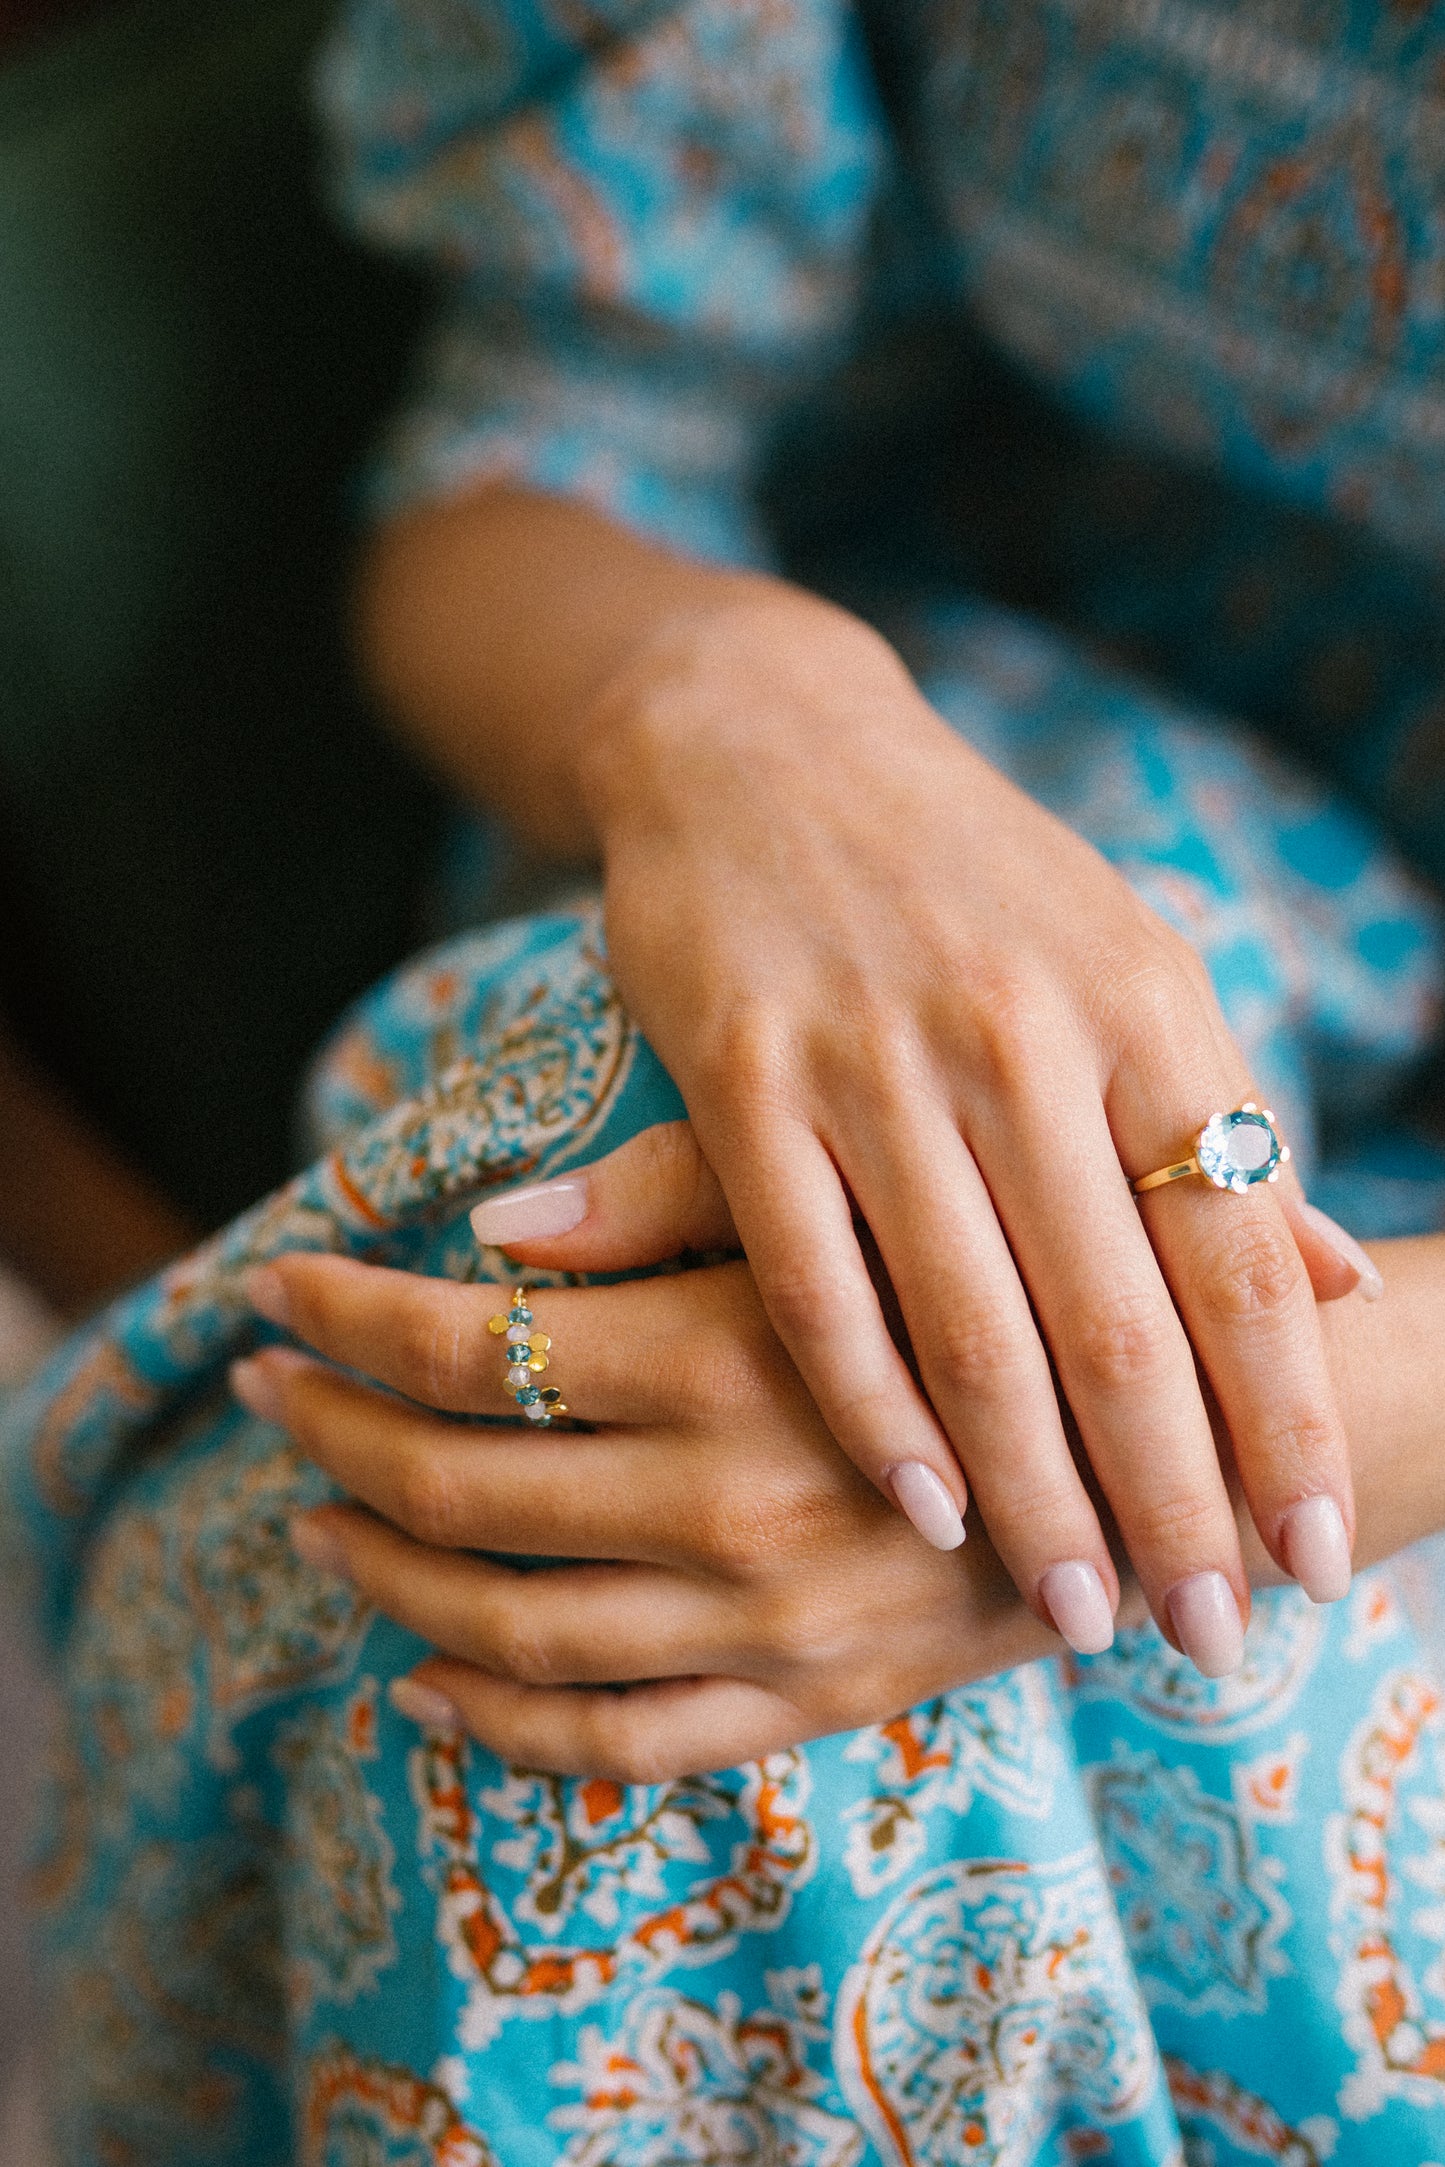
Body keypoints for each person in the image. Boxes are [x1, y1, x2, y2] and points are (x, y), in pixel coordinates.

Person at [10, 1, 1445, 2159]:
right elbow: (544, 444)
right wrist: (748, 712)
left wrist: (1237, 1435)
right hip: (1045, 791)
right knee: (638, 1295)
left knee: (691, 1549)